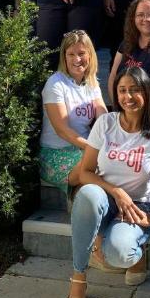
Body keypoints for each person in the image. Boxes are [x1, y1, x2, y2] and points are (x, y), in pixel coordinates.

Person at [65, 66, 150, 298]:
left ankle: (137, 249)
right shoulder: (106, 123)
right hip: (105, 198)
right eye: (122, 90)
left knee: (119, 254)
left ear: (146, 92)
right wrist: (115, 191)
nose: (127, 97)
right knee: (88, 193)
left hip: (138, 207)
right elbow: (85, 172)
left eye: (134, 90)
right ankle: (78, 278)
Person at [40, 30, 109, 191]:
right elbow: (62, 130)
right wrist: (94, 148)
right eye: (71, 54)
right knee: (100, 166)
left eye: (81, 53)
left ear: (90, 55)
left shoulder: (92, 82)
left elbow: (103, 117)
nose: (77, 59)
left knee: (114, 162)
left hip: (83, 149)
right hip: (55, 154)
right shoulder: (55, 84)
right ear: (64, 57)